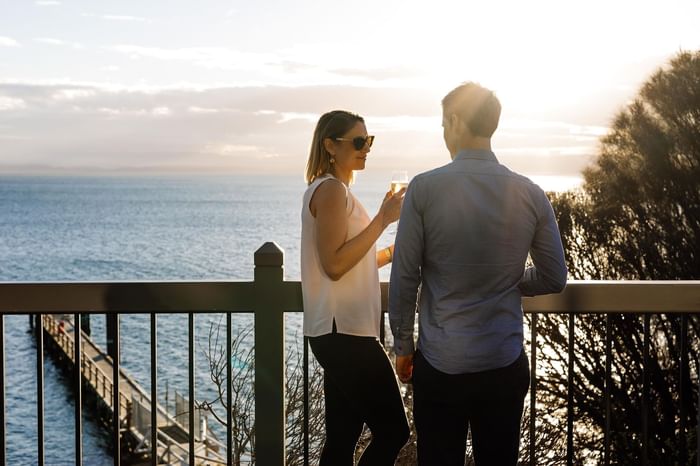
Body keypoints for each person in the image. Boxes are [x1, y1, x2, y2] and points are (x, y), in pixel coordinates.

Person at [389, 82, 568, 465]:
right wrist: (509, 281)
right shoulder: (531, 193)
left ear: (454, 121)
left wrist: (403, 346)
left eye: (443, 124)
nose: (443, 134)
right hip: (502, 364)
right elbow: (554, 276)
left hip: (440, 365)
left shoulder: (424, 189)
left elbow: (405, 276)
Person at [301, 110, 410, 465]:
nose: (366, 149)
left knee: (341, 441)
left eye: (369, 141)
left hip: (339, 332)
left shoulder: (335, 190)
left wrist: (393, 252)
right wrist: (383, 219)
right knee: (395, 431)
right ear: (330, 146)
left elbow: (351, 259)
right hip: (344, 332)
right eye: (359, 142)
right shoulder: (331, 190)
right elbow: (333, 265)